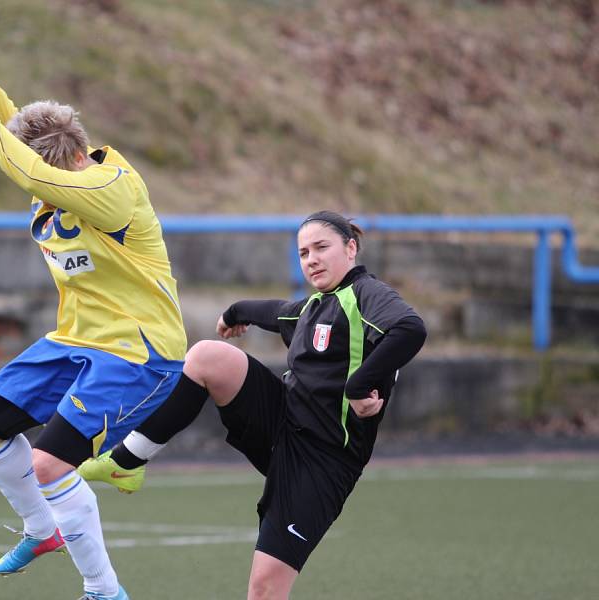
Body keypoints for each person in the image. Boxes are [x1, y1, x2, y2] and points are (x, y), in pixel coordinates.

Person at [0, 8, 187, 600]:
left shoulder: (108, 188)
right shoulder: (57, 170)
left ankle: (104, 591)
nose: (41, 184)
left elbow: (21, 165)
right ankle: (41, 529)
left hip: (139, 352)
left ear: (72, 158)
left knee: (48, 466)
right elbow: (12, 123)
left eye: (46, 173)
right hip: (77, 339)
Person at [80, 211, 427, 599]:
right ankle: (129, 462)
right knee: (208, 356)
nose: (311, 258)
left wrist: (359, 386)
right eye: (303, 252)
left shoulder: (366, 294)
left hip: (323, 460)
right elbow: (275, 312)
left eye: (321, 248)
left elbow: (410, 329)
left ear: (350, 248)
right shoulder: (314, 306)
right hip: (281, 423)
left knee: (264, 589)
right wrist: (235, 312)